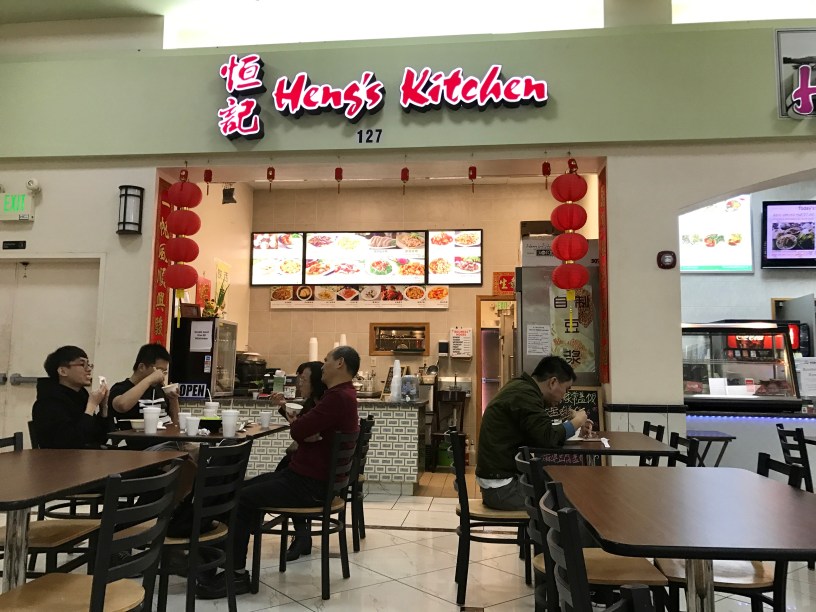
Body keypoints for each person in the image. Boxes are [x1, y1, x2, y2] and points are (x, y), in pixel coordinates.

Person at [196, 345, 361, 600]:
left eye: (327, 360)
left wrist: (304, 432)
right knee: (240, 488)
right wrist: (306, 432)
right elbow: (305, 431)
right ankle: (218, 557)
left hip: (308, 485)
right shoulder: (342, 395)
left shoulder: (337, 397)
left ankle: (235, 574)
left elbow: (298, 431)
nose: (323, 365)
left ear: (340, 363)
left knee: (240, 499)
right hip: (307, 480)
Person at [475, 355, 589, 511]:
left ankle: (538, 535)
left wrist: (572, 419)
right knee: (570, 499)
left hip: (500, 483)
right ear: (553, 382)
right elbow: (548, 437)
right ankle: (556, 535)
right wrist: (578, 421)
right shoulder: (525, 395)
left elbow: (538, 428)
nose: (565, 396)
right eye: (566, 389)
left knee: (561, 490)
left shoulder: (522, 387)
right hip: (503, 490)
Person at [273, 360, 328, 562]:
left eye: (303, 380)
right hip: (313, 471)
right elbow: (301, 428)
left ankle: (301, 534)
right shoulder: (315, 403)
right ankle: (301, 534)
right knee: (285, 469)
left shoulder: (321, 406)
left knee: (285, 473)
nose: (298, 385)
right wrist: (283, 407)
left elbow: (302, 431)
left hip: (313, 478)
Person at [32, 346, 113, 449]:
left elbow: (99, 438)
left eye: (89, 365)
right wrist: (91, 406)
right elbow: (71, 442)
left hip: (86, 456)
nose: (88, 369)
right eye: (82, 364)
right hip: (61, 461)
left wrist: (103, 408)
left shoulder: (80, 395)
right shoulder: (49, 402)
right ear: (63, 371)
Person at [109, 343, 180, 440]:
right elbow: (122, 405)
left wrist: (173, 400)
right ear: (142, 367)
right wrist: (150, 379)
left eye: (164, 372)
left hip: (170, 442)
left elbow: (175, 422)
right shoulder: (120, 388)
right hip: (142, 447)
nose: (161, 375)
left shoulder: (160, 389)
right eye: (158, 370)